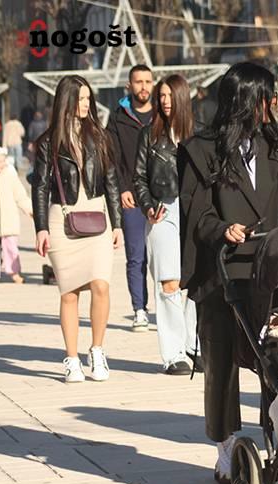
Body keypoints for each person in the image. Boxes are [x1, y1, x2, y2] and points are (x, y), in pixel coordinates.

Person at [178, 62, 278, 484]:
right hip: (221, 269)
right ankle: (224, 444)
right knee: (221, 361)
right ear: (247, 101)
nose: (274, 104)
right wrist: (222, 228)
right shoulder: (201, 150)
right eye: (267, 97)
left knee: (276, 355)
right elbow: (196, 213)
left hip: (271, 266)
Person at [30, 75, 123, 383]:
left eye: (87, 98)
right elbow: (40, 186)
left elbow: (112, 182)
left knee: (101, 285)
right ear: (66, 101)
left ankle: (97, 350)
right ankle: (71, 359)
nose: (86, 104)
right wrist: (41, 228)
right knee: (69, 293)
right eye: (80, 98)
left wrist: (118, 223)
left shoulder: (100, 136)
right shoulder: (49, 141)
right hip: (62, 219)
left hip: (97, 216)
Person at [132, 74, 200, 375]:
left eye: (170, 95)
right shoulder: (149, 134)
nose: (164, 101)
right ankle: (174, 355)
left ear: (182, 97)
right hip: (162, 210)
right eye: (161, 95)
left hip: (193, 211)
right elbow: (139, 177)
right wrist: (147, 207)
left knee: (195, 282)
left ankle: (193, 345)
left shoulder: (199, 135)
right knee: (169, 282)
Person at [106, 64, 155, 332]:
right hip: (132, 198)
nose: (143, 87)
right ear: (129, 85)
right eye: (139, 81)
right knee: (136, 256)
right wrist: (123, 188)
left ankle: (167, 308)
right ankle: (139, 309)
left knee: (162, 257)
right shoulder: (118, 118)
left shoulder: (161, 114)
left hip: (160, 196)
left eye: (148, 81)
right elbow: (112, 158)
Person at [0, 147, 33, 283]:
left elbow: (20, 195)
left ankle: (14, 271)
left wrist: (30, 210)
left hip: (9, 218)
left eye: (3, 161)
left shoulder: (10, 175)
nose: (2, 164)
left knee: (11, 247)